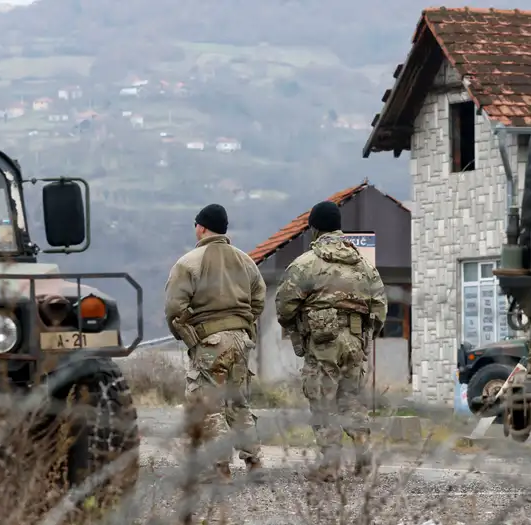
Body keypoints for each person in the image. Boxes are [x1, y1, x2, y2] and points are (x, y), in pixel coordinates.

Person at [275, 201, 387, 482]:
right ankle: (363, 456)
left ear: (314, 229)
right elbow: (380, 307)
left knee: (323, 402)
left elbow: (284, 307)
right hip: (355, 341)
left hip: (322, 342)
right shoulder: (364, 266)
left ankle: (331, 466)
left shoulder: (305, 264)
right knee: (351, 400)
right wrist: (364, 335)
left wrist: (299, 326)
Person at [164, 203, 266, 483]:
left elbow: (174, 308)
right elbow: (258, 299)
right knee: (238, 402)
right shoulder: (246, 261)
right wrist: (243, 325)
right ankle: (254, 462)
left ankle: (220, 468)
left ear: (201, 227)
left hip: (210, 342)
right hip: (241, 340)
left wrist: (189, 337)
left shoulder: (188, 263)